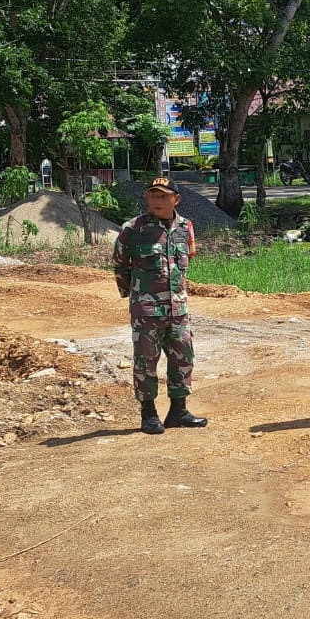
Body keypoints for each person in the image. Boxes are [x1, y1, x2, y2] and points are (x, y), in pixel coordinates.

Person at [112, 176, 208, 436]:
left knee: (183, 358)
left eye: (163, 196)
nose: (157, 200)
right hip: (146, 311)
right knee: (146, 362)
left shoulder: (186, 227)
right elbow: (120, 265)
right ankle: (149, 414)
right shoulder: (133, 228)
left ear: (176, 199)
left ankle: (178, 411)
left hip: (178, 310)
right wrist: (136, 295)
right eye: (153, 195)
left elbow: (187, 258)